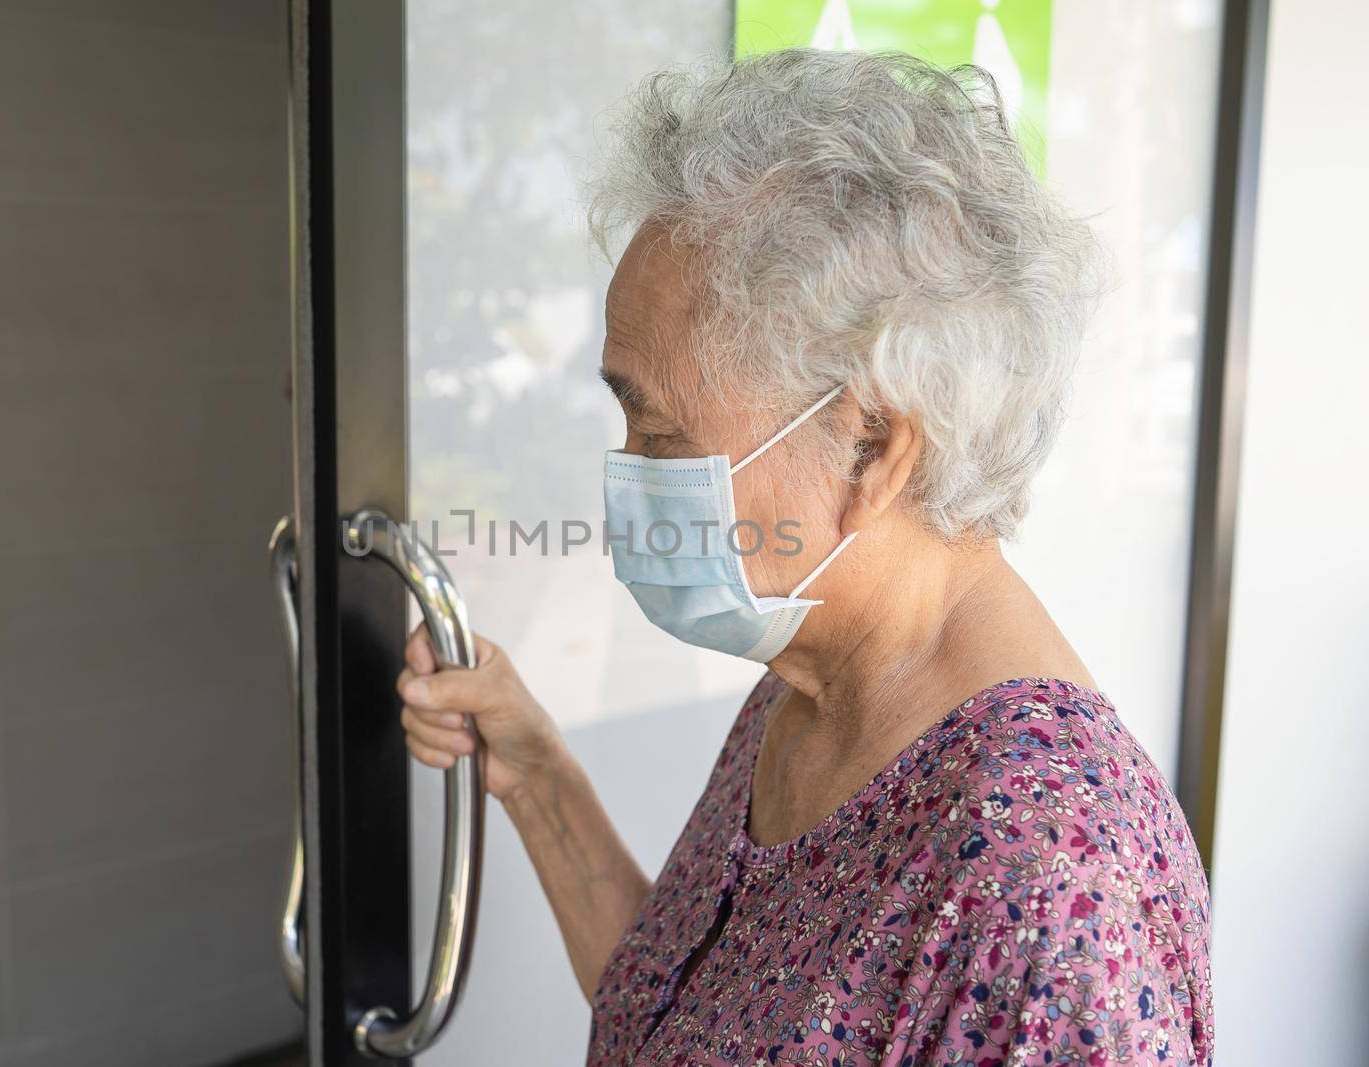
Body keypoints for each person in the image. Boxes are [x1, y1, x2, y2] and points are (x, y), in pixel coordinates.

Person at [398, 49, 1212, 1066]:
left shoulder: (1043, 881)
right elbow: (682, 1022)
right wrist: (535, 773)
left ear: (872, 446)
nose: (628, 476)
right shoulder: (817, 682)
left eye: (661, 436)